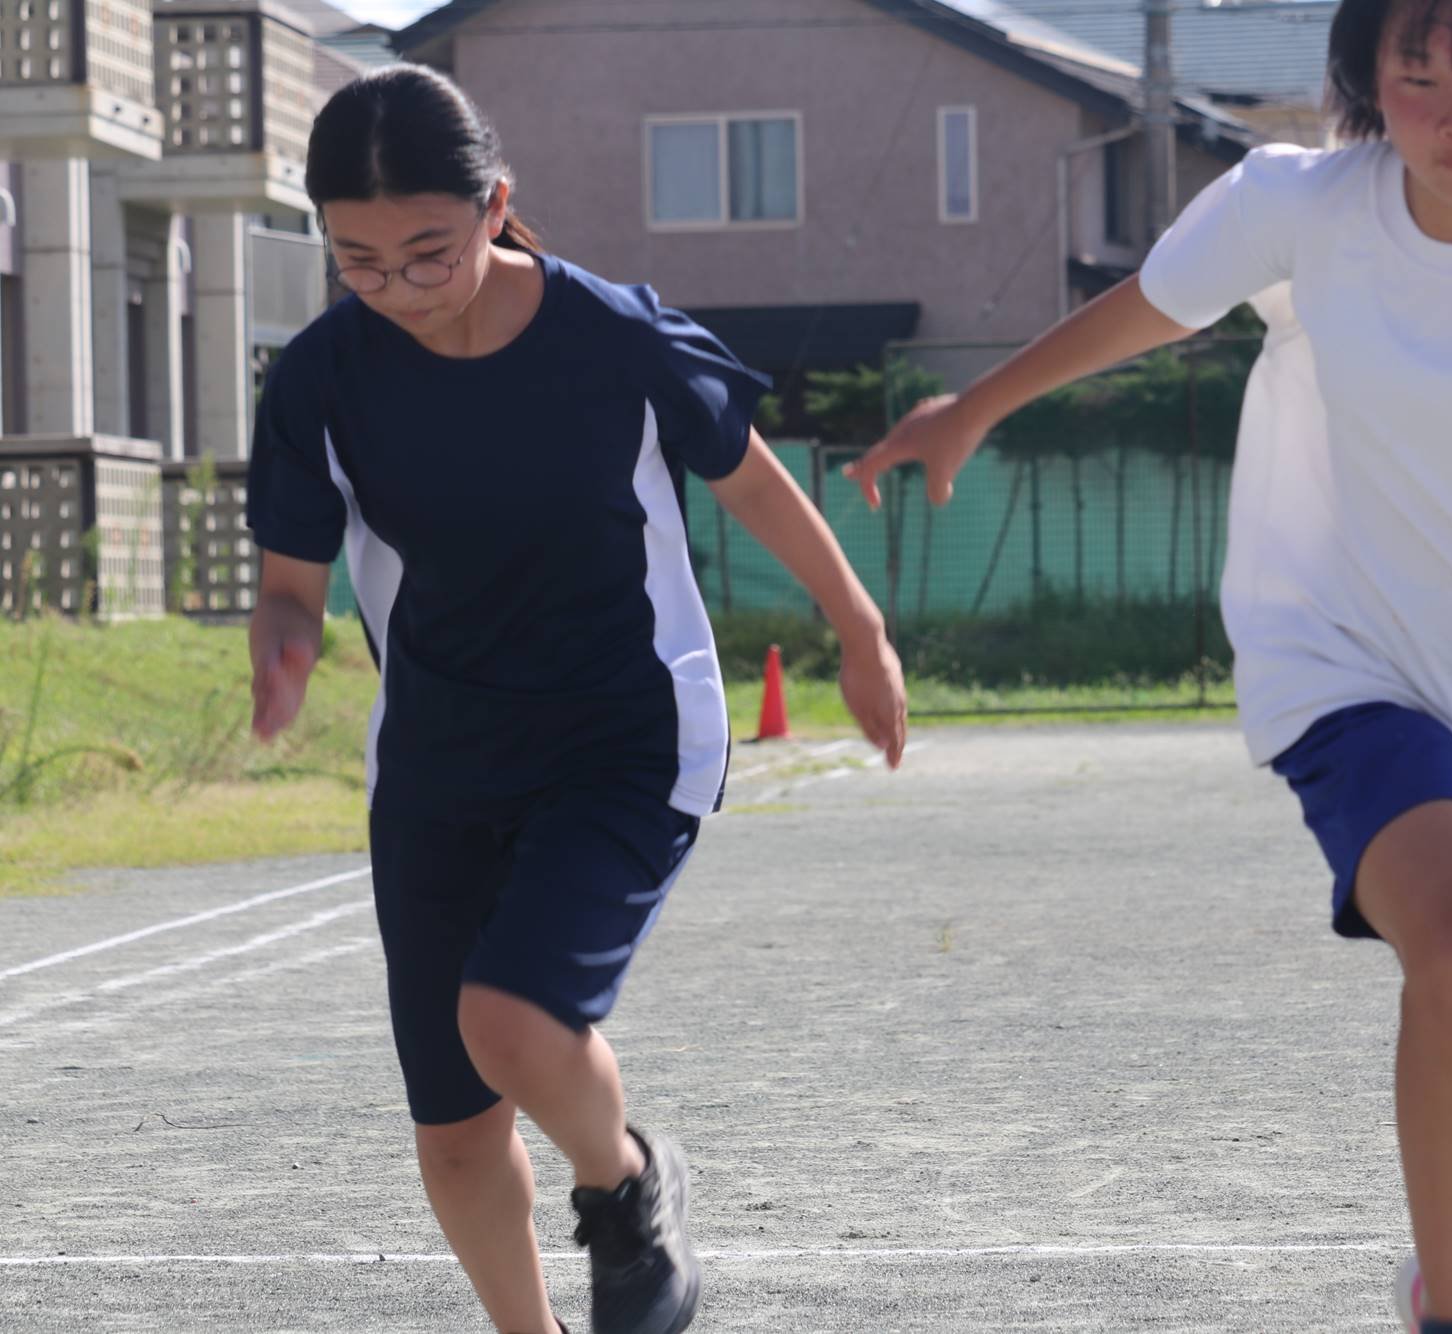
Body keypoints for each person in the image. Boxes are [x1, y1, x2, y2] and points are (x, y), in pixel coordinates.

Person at [844, 2, 1452, 1330]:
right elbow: (1145, 309)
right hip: (1356, 665)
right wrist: (972, 408)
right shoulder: (1303, 207)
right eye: (1420, 77)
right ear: (1367, 83)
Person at [246, 64, 906, 1334]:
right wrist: (280, 644)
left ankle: (625, 1188)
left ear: (496, 207)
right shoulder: (323, 377)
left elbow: (755, 484)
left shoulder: (612, 334)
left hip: (624, 731)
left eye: (427, 253)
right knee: (452, 1133)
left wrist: (859, 629)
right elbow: (291, 579)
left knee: (510, 1018)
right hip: (439, 758)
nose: (399, 289)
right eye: (361, 263)